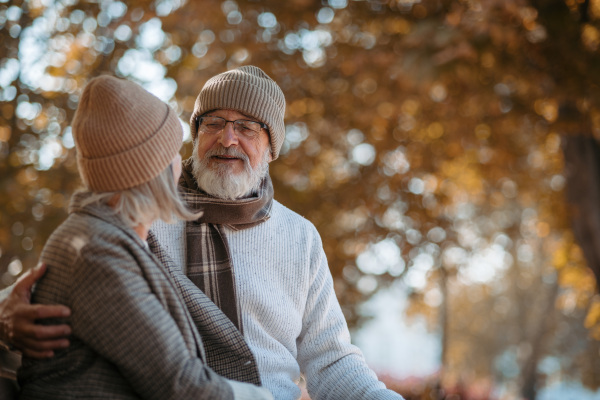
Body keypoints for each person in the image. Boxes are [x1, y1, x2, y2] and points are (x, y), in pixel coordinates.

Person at [1, 66, 404, 400]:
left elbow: (330, 359)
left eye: (246, 127)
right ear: (194, 135)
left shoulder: (300, 237)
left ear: (270, 146)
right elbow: (58, 282)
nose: (227, 139)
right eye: (214, 123)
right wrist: (4, 318)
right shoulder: (141, 212)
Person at [11, 75, 273, 400]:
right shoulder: (95, 250)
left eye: (246, 128)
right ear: (154, 171)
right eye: (172, 153)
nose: (181, 162)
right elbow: (180, 384)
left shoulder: (111, 236)